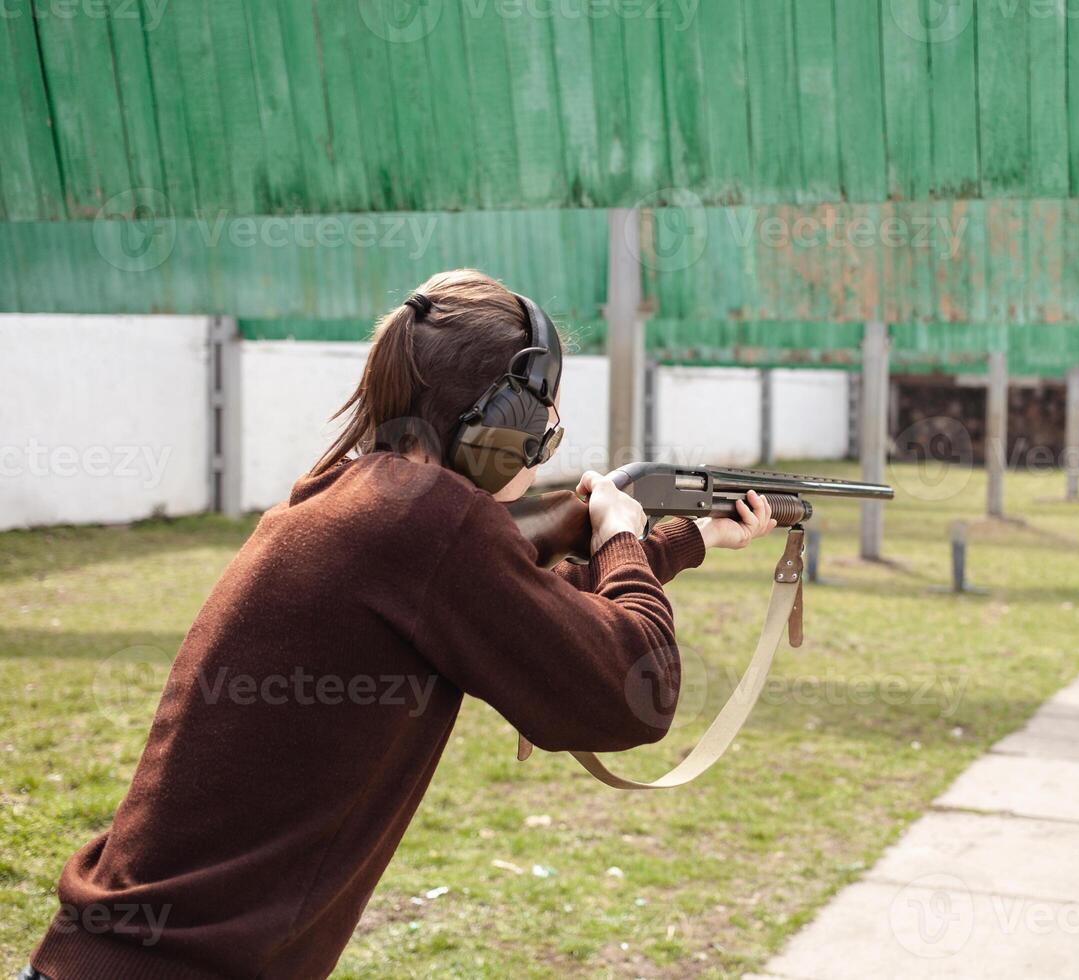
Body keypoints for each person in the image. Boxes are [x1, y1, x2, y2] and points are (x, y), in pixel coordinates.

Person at [24, 269, 776, 979]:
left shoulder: (345, 495)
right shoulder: (427, 522)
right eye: (540, 421)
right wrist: (617, 534)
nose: (547, 438)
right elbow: (633, 690)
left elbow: (511, 613)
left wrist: (687, 539)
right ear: (498, 424)